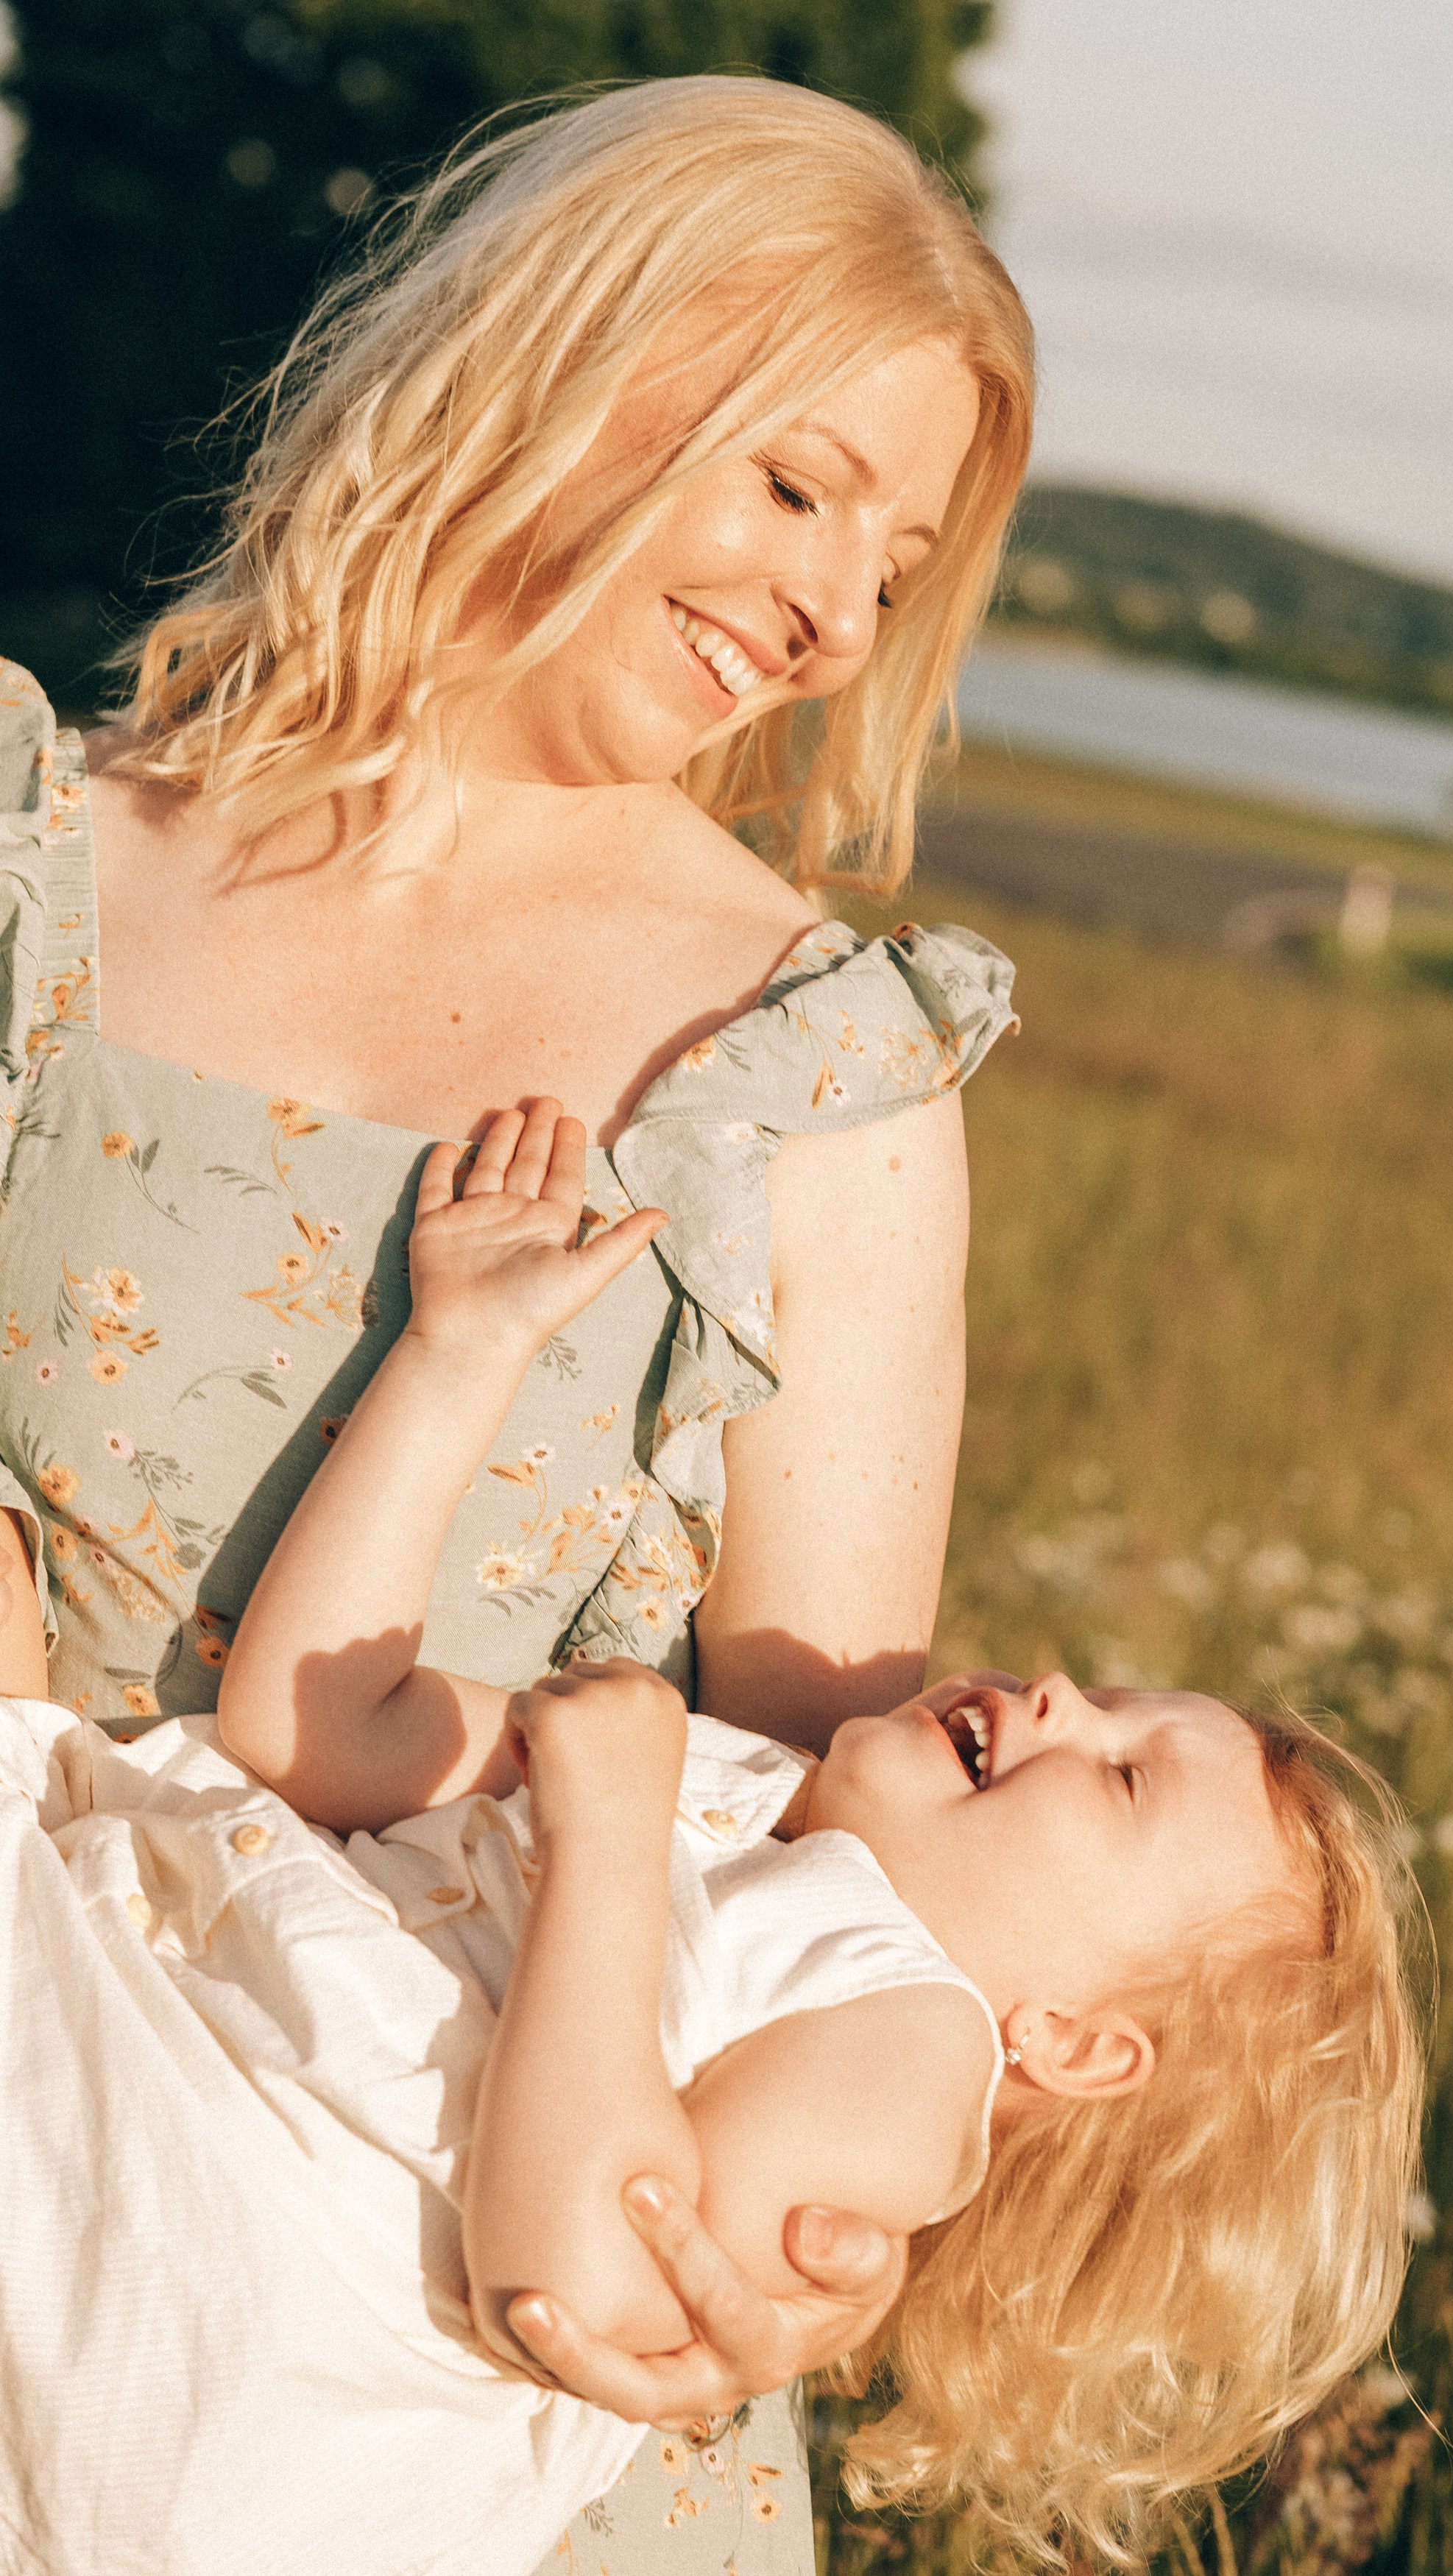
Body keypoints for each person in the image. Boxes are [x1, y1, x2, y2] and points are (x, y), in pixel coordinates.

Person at [0, 73, 1033, 2569]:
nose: (829, 604)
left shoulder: (816, 1077)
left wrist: (784, 2235)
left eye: (894, 560)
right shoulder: (39, 859)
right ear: (566, 355)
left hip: (445, 2324)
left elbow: (816, 1813)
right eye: (795, 485)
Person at [0, 1101, 1426, 2575]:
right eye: (1114, 1696)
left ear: (1071, 2041)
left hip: (221, 2345)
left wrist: (609, 1835)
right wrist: (460, 1354)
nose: (1061, 1690)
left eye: (1120, 1773)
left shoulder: (907, 2040)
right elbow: (316, 1730)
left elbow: (589, 2285)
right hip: (141, 2093)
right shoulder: (741, 1784)